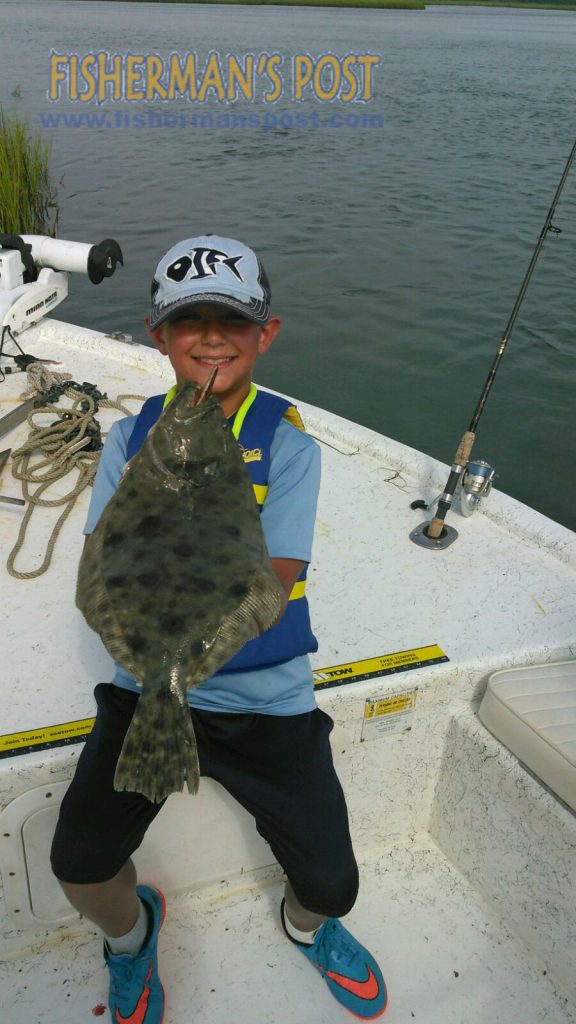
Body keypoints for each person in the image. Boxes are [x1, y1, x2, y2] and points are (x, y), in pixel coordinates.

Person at [50, 235, 387, 1022]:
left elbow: (277, 578)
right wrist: (155, 662)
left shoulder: (291, 443)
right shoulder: (132, 441)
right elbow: (104, 563)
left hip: (266, 700)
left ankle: (306, 932)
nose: (208, 337)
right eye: (187, 321)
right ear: (156, 334)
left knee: (334, 885)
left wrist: (186, 645)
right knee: (78, 861)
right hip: (149, 686)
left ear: (264, 335)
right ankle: (132, 941)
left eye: (230, 322)